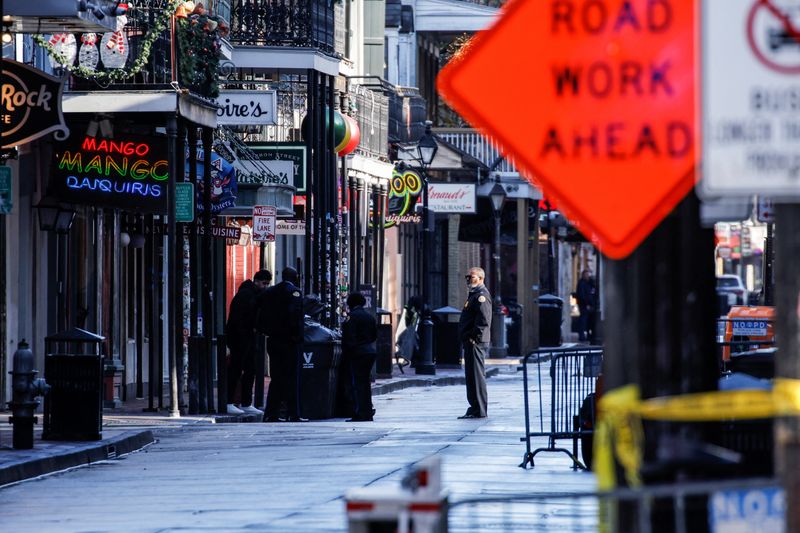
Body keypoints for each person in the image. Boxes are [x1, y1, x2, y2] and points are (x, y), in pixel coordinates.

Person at [258, 267, 306, 422]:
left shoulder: (270, 292)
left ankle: (271, 413)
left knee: (277, 378)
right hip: (289, 342)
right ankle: (293, 413)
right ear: (294, 277)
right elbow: (295, 316)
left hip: (273, 340)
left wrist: (266, 331)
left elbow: (261, 314)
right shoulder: (295, 292)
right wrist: (296, 336)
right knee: (292, 378)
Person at [224, 269, 271, 415]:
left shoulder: (253, 295)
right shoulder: (246, 295)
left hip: (247, 337)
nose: (266, 286)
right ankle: (229, 401)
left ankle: (245, 402)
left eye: (267, 284)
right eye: (264, 283)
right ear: (256, 281)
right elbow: (240, 319)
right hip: (240, 338)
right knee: (236, 369)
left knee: (250, 369)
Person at [457, 267, 492, 419]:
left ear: (481, 278)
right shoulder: (474, 295)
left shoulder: (481, 296)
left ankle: (480, 409)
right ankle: (474, 407)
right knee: (471, 375)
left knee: (477, 375)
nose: (469, 280)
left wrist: (473, 337)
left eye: (472, 277)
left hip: (476, 342)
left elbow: (484, 320)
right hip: (470, 341)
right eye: (468, 277)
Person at [342, 293, 378, 422]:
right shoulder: (369, 317)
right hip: (369, 351)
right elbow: (374, 335)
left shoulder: (352, 317)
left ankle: (359, 412)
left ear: (351, 303)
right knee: (365, 384)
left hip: (358, 353)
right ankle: (367, 411)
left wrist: (348, 351)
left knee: (357, 384)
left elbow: (349, 337)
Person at [575, 269, 598, 343]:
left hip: (590, 305)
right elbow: (581, 295)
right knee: (583, 321)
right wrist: (586, 304)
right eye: (587, 274)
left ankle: (589, 335)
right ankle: (582, 336)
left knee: (590, 322)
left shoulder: (590, 283)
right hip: (584, 306)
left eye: (589, 274)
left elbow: (593, 292)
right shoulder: (581, 283)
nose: (588, 276)